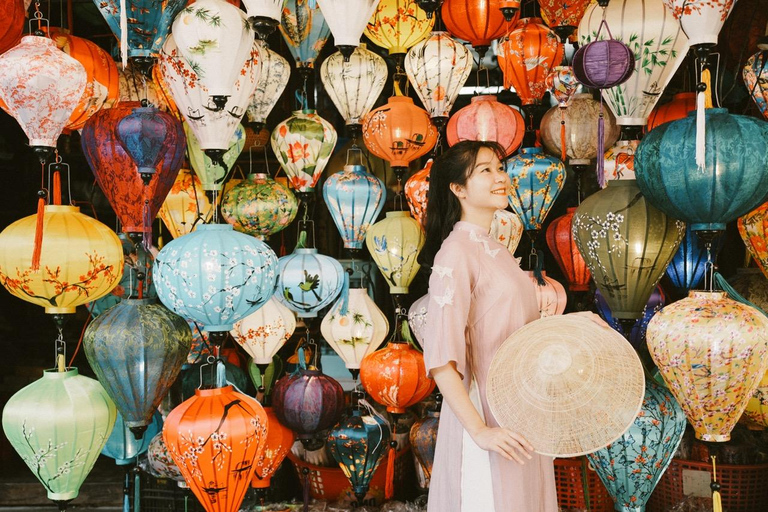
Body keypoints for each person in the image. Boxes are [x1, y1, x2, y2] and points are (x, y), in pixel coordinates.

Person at [419, 140, 561, 511]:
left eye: (500, 167)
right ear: (457, 188)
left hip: (523, 407)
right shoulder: (455, 252)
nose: (501, 177)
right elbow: (440, 358)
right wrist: (479, 430)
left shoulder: (496, 250)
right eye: (486, 170)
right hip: (486, 412)